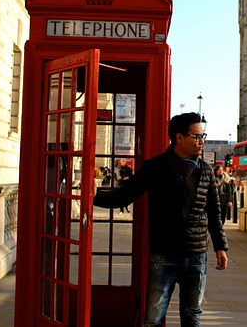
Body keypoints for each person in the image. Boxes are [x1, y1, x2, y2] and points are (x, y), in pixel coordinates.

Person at [93, 112, 228, 326]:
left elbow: (214, 211)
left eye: (203, 136)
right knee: (153, 318)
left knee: (192, 317)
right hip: (165, 255)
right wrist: (90, 196)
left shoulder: (206, 171)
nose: (202, 141)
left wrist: (220, 247)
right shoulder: (155, 167)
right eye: (197, 136)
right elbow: (124, 196)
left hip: (196, 256)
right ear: (179, 137)